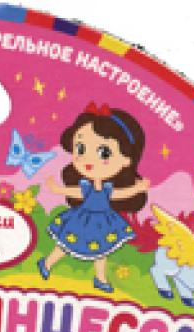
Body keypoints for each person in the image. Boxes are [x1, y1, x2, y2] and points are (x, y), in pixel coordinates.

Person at [38, 104, 149, 292]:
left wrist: (137, 188)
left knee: (101, 251)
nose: (88, 160)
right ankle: (46, 263)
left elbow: (120, 194)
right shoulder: (86, 186)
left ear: (126, 160)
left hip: (104, 222)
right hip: (81, 220)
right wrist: (56, 189)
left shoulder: (108, 188)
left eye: (104, 153)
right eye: (80, 148)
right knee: (65, 245)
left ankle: (100, 278)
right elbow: (75, 192)